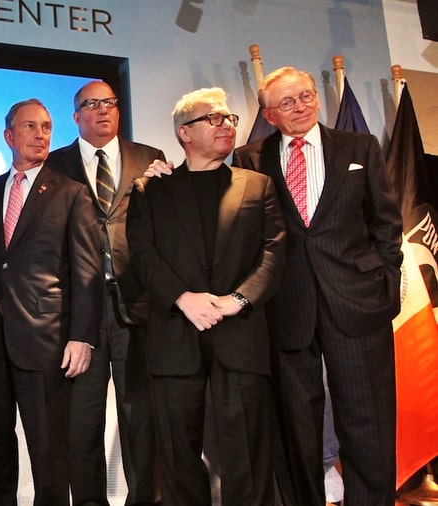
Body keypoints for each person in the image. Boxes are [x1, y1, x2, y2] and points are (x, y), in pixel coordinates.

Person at [233, 66, 402, 506]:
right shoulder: (249, 158)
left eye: (306, 95)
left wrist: (386, 280)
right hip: (287, 306)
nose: (302, 105)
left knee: (368, 420)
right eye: (287, 102)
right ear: (269, 114)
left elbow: (386, 223)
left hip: (358, 301)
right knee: (296, 426)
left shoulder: (359, 146)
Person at [126, 87, 285, 505]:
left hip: (242, 334)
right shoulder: (150, 189)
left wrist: (238, 299)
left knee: (248, 454)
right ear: (184, 132)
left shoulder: (258, 185)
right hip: (175, 336)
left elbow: (273, 253)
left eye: (230, 118)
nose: (227, 125)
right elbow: (142, 253)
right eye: (214, 118)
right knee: (179, 456)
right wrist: (182, 298)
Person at [0, 98, 103, 506]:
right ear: (9, 136)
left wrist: (83, 337)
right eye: (30, 127)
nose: (41, 134)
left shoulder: (72, 194)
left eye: (46, 127)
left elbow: (87, 272)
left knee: (49, 453)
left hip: (46, 341)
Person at [45, 80, 163, 506]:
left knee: (142, 419)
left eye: (110, 103)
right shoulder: (54, 165)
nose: (103, 110)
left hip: (139, 306)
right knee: (82, 422)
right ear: (75, 116)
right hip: (79, 314)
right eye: (91, 104)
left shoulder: (150, 159)